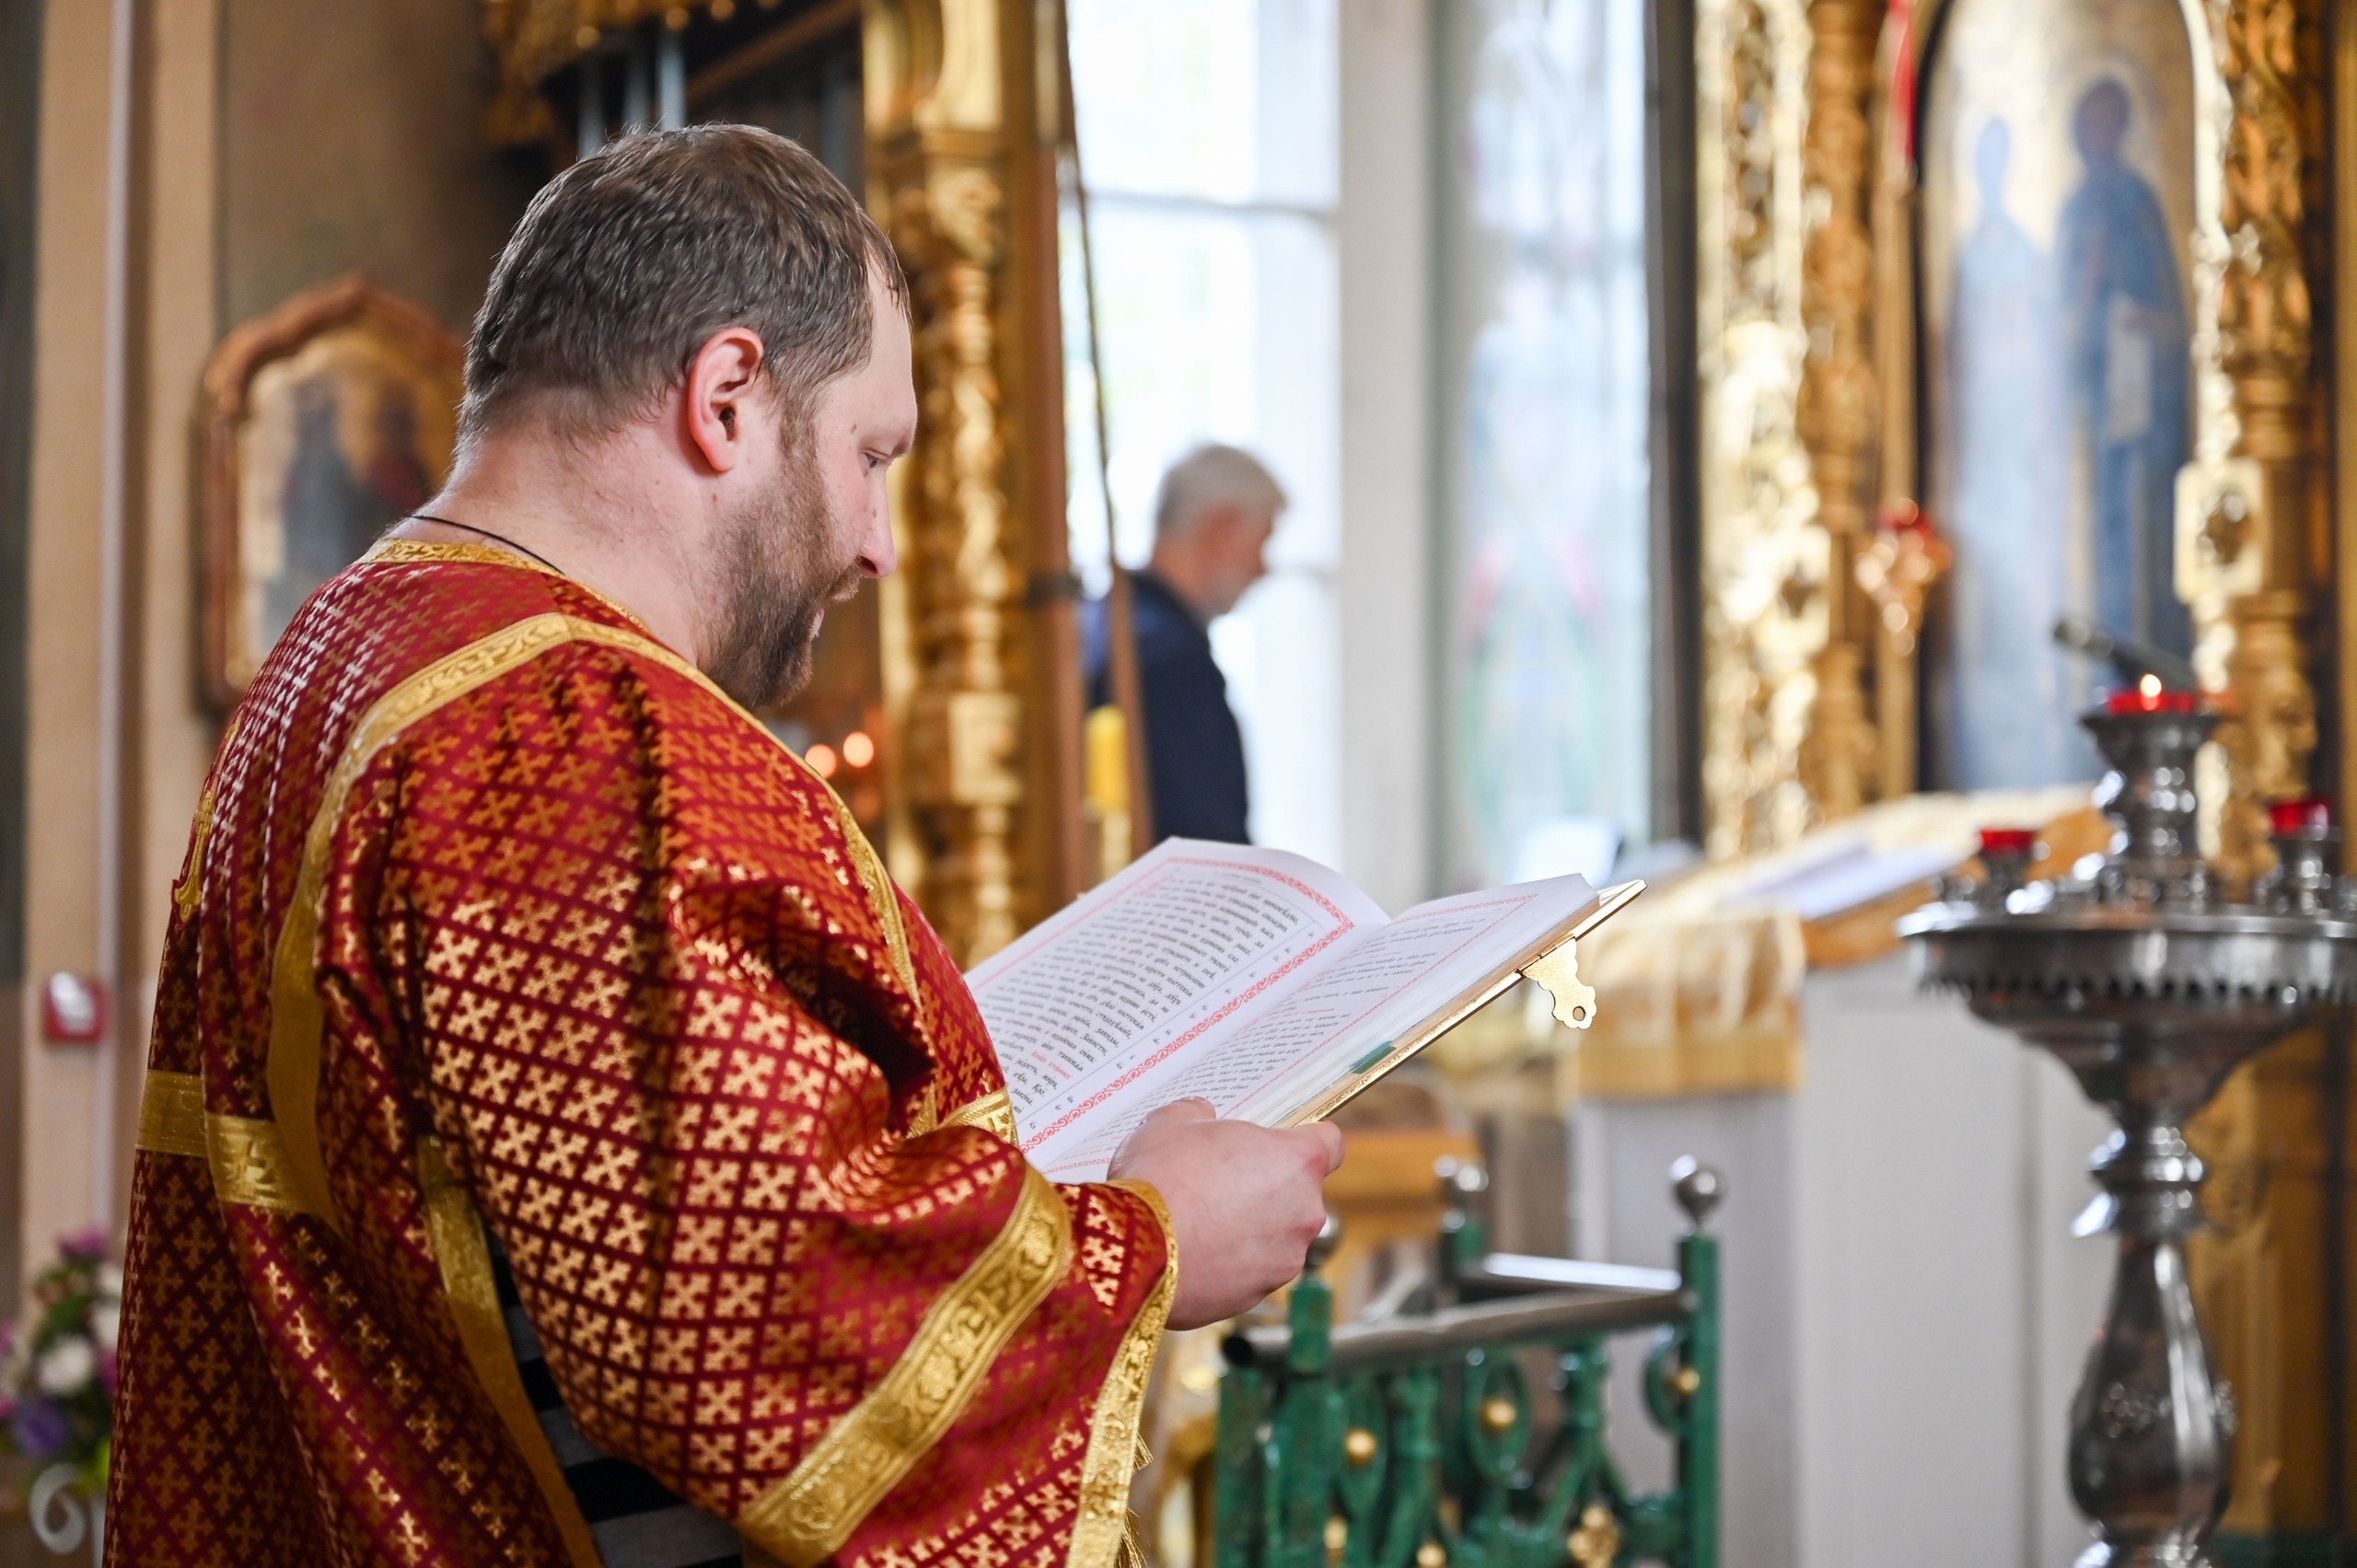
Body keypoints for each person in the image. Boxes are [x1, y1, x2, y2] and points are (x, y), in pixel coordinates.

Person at [107, 127, 1341, 1568]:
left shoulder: (343, 652)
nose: (877, 543)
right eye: (871, 455)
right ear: (729, 397)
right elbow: (748, 1312)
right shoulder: (575, 728)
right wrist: (1151, 1237)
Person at [1085, 444, 1282, 844]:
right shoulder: (1174, 664)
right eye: (1262, 544)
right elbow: (1213, 846)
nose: (1263, 570)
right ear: (1222, 530)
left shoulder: (1093, 622)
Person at [2057, 76, 2191, 660]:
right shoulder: (2075, 212)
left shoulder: (2140, 203)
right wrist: (2090, 292)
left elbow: (2171, 307)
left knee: (2154, 525)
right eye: (2095, 124)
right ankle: (2111, 659)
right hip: (2098, 401)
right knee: (2107, 529)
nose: (2104, 135)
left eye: (2114, 122)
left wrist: (2150, 322)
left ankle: (2165, 651)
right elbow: (2059, 325)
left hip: (2151, 398)